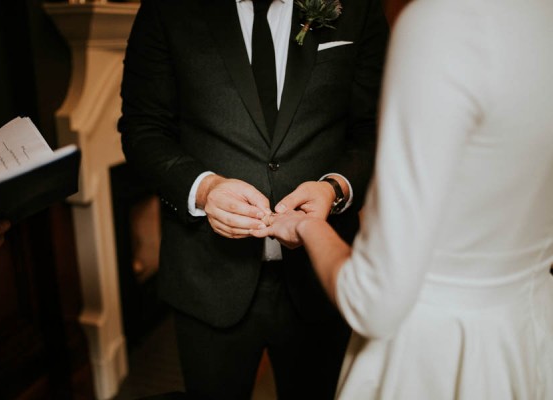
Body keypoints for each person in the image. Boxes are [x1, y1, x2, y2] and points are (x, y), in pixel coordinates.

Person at [253, 0, 553, 398]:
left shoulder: (442, 23)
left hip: (433, 355)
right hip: (529, 336)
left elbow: (374, 300)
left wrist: (307, 226)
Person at [118, 0, 388, 398]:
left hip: (321, 280)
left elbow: (373, 128)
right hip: (206, 280)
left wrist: (335, 188)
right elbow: (142, 129)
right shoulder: (166, 8)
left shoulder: (358, 7)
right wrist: (204, 188)